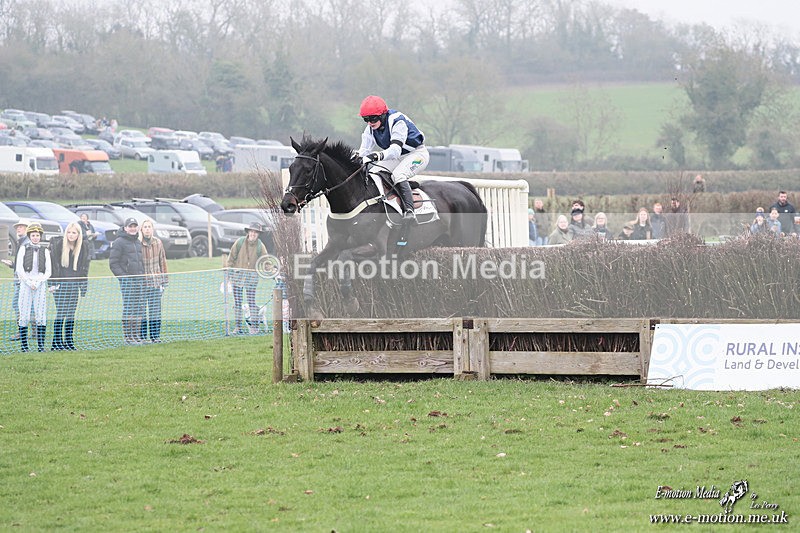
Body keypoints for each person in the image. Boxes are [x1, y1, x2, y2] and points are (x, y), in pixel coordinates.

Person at [357, 95, 429, 221]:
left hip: (417, 154)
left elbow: (395, 150)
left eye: (373, 118)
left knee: (398, 175)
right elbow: (363, 152)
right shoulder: (370, 129)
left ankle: (409, 210)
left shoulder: (397, 121)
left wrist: (377, 155)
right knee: (374, 173)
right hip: (398, 157)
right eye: (366, 119)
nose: (369, 123)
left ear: (382, 115)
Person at [48, 222, 91, 350]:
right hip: (60, 286)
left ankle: (69, 341)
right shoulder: (59, 245)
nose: (71, 235)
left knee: (71, 314)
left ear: (78, 235)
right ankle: (56, 342)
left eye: (74, 233)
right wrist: (52, 284)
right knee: (61, 313)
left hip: (74, 286)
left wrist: (83, 286)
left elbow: (84, 269)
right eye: (69, 232)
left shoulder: (82, 248)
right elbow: (53, 266)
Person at [227, 222, 269, 335]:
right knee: (237, 303)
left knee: (251, 302)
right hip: (237, 278)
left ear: (258, 234)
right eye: (252, 231)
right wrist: (228, 275)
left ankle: (254, 327)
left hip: (252, 279)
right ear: (248, 232)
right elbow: (231, 258)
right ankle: (238, 327)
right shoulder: (239, 242)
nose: (253, 234)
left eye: (256, 232)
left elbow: (265, 261)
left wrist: (271, 270)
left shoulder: (260, 246)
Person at [15, 222, 51, 352]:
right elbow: (19, 269)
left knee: (40, 314)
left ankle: (41, 346)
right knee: (24, 313)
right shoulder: (23, 248)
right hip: (26, 284)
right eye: (33, 235)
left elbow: (48, 271)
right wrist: (29, 282)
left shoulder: (45, 250)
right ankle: (24, 346)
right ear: (29, 236)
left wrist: (38, 282)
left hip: (40, 284)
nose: (35, 237)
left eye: (37, 235)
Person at [109, 217, 145, 345]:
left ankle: (136, 336)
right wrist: (124, 278)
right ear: (125, 228)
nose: (133, 228)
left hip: (139, 280)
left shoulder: (137, 242)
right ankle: (128, 337)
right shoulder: (119, 242)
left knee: (138, 308)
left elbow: (140, 262)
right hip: (127, 281)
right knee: (129, 308)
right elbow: (113, 263)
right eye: (130, 226)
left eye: (135, 226)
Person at [139, 220, 168, 343]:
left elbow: (162, 261)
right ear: (141, 229)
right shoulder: (138, 244)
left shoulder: (158, 242)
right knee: (142, 311)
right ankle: (142, 337)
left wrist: (164, 280)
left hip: (156, 282)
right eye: (145, 227)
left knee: (155, 311)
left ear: (152, 229)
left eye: (149, 227)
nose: (147, 229)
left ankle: (155, 337)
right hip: (142, 283)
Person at [2, 219, 31, 341]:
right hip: (20, 279)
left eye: (21, 227)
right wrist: (13, 264)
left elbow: (28, 263)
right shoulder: (21, 242)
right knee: (31, 306)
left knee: (17, 305)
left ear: (27, 228)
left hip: (23, 280)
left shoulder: (26, 243)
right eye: (17, 227)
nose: (18, 229)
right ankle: (33, 331)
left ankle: (21, 331)